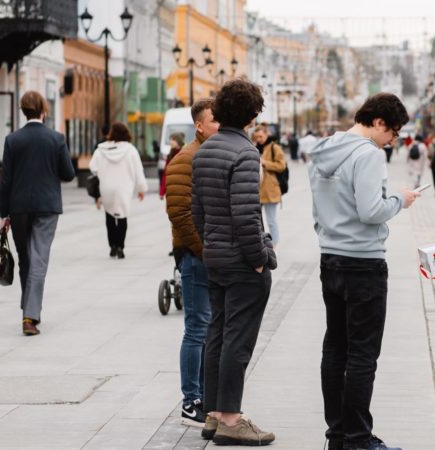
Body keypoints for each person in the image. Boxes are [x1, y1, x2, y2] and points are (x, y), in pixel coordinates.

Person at [308, 92, 420, 450]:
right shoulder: (368, 154)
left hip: (330, 258)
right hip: (363, 262)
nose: (393, 141)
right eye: (393, 133)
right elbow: (371, 210)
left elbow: (318, 207)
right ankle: (358, 439)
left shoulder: (326, 150)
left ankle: (337, 435)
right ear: (378, 123)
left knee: (334, 349)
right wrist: (400, 199)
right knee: (361, 355)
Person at [191, 78, 276, 446]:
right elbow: (246, 216)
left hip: (215, 257)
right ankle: (231, 418)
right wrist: (260, 258)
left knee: (217, 334)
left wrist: (212, 242)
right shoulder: (245, 153)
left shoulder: (206, 150)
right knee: (237, 341)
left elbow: (197, 211)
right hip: (243, 262)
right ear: (253, 114)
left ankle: (212, 413)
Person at [0, 90, 75, 336]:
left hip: (18, 207)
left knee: (26, 259)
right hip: (46, 206)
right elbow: (68, 174)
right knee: (39, 258)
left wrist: (4, 214)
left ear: (23, 110)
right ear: (43, 110)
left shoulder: (13, 139)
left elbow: (6, 180)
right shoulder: (56, 138)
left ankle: (29, 308)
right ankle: (30, 316)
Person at [165, 98, 219, 427]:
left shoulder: (209, 155)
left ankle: (205, 395)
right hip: (196, 256)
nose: (221, 126)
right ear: (199, 125)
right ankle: (191, 401)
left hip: (210, 255)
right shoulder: (187, 158)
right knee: (197, 329)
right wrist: (203, 250)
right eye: (215, 121)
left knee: (208, 328)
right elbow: (179, 213)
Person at [89, 122, 148, 259]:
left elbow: (93, 167)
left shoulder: (101, 150)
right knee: (122, 216)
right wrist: (141, 188)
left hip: (106, 187)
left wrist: (103, 173)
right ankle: (121, 246)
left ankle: (112, 246)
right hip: (124, 187)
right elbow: (138, 170)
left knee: (109, 216)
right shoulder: (131, 150)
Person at [253, 124, 286, 246]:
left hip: (271, 190)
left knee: (271, 221)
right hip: (257, 191)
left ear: (267, 134)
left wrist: (264, 162)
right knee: (256, 221)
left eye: (261, 136)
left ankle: (275, 245)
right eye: (256, 137)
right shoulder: (254, 148)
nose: (259, 139)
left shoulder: (274, 148)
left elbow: (281, 166)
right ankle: (260, 244)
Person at [160, 132, 185, 199]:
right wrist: (162, 192)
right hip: (171, 188)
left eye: (173, 140)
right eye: (171, 140)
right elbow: (165, 174)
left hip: (182, 189)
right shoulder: (170, 155)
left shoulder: (184, 154)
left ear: (178, 141)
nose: (171, 142)